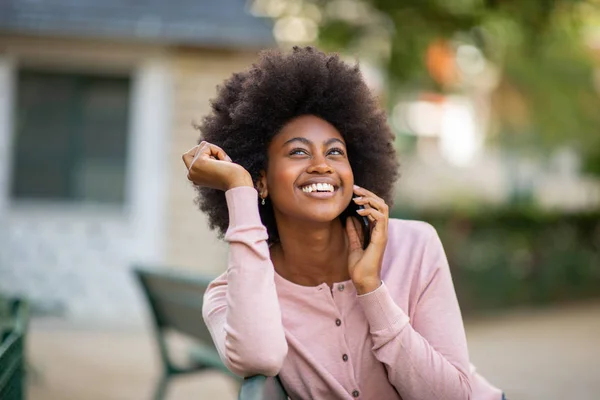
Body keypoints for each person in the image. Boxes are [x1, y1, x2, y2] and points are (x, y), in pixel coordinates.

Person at [182, 46, 504, 400]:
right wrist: (239, 188)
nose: (322, 165)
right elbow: (260, 356)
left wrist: (371, 289)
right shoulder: (229, 296)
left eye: (335, 151)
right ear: (262, 179)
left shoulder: (415, 245)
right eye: (299, 151)